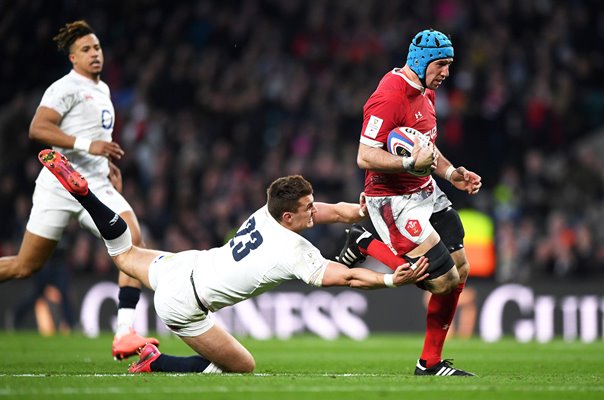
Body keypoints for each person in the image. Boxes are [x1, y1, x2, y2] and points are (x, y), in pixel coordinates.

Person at [37, 148, 430, 373]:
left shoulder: (269, 212)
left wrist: (364, 211)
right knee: (242, 367)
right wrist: (392, 280)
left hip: (186, 265)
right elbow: (346, 278)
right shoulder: (294, 251)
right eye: (308, 208)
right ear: (288, 217)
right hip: (184, 304)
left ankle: (86, 197)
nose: (316, 212)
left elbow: (337, 212)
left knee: (122, 253)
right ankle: (155, 363)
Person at [0, 20, 158, 360]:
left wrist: (107, 163)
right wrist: (91, 146)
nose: (94, 54)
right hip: (59, 184)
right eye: (86, 50)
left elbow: (95, 138)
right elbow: (38, 128)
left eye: (97, 47)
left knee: (133, 239)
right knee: (25, 266)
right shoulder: (65, 87)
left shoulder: (102, 90)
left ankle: (124, 333)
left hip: (96, 183)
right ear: (73, 58)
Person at [339, 29, 482, 376]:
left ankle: (429, 363)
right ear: (421, 62)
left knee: (461, 268)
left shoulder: (426, 92)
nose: (447, 72)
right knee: (443, 281)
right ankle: (365, 241)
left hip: (425, 190)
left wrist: (451, 174)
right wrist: (406, 164)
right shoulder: (389, 96)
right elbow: (364, 155)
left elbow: (427, 148)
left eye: (449, 65)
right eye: (442, 65)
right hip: (393, 201)